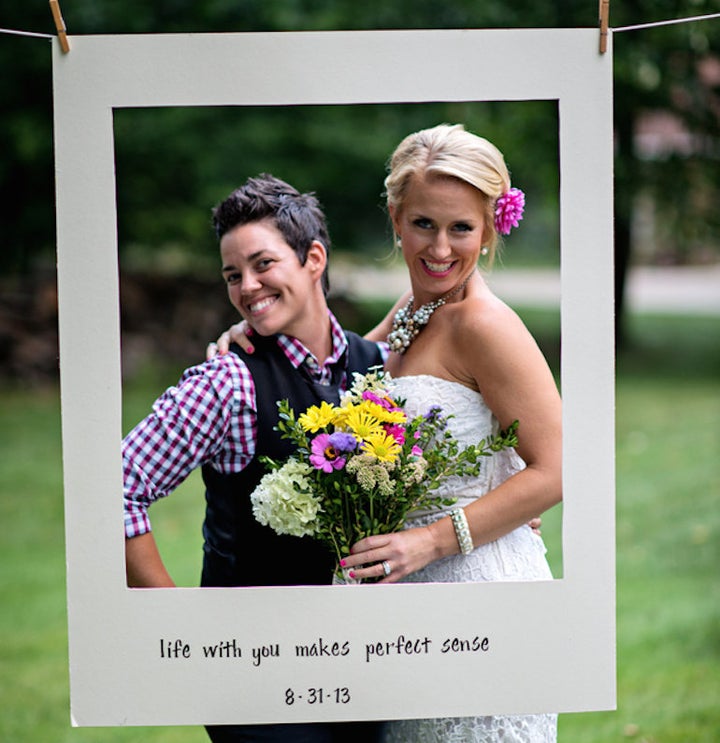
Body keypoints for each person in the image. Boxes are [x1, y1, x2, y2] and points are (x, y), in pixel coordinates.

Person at [219, 124, 561, 742]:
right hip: (403, 616)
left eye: (462, 227)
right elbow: (344, 363)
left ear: (488, 231)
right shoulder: (414, 309)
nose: (440, 248)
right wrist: (254, 330)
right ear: (396, 219)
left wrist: (432, 540)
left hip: (477, 598)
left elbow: (558, 469)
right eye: (424, 224)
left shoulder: (486, 325)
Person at [122, 174, 386, 743]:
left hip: (366, 666)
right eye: (232, 275)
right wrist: (179, 626)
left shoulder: (380, 368)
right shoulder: (225, 382)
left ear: (313, 258)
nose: (246, 286)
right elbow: (114, 487)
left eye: (263, 264)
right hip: (256, 679)